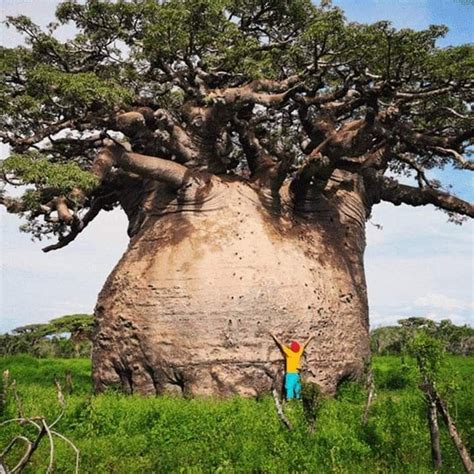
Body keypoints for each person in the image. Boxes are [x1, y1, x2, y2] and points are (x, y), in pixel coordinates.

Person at [270, 332, 314, 400]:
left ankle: (290, 402)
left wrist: (273, 336)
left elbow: (280, 344)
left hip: (290, 374)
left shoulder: (289, 353)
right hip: (296, 374)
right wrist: (310, 337)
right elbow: (304, 345)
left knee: (289, 388)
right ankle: (299, 400)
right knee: (297, 388)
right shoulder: (298, 353)